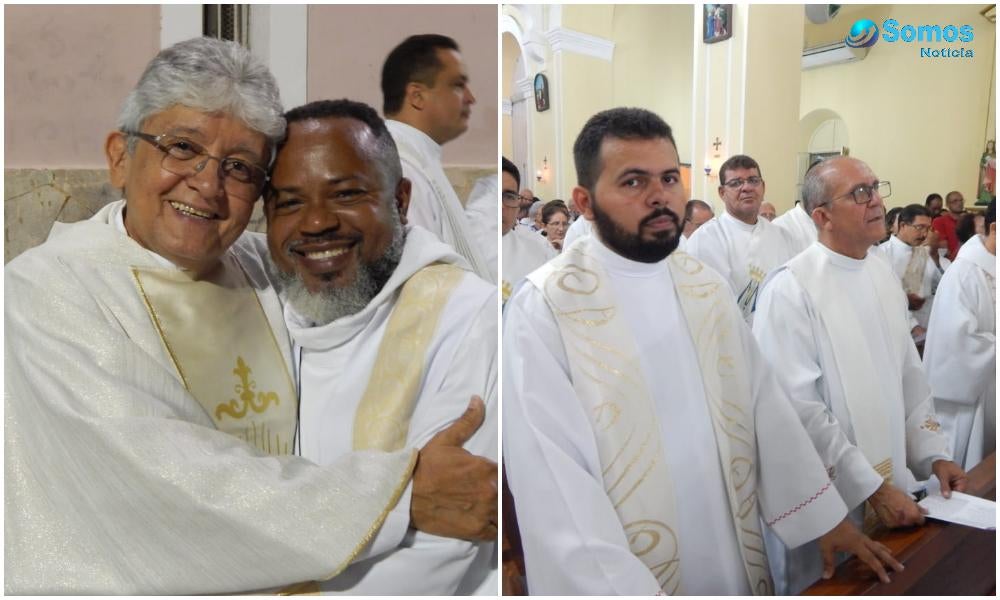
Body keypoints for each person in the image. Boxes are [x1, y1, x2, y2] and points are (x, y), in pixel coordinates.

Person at [5, 37, 496, 595]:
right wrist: (401, 493)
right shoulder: (46, 291)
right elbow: (161, 485)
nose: (208, 185)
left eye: (239, 167)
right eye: (182, 147)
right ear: (120, 155)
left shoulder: (263, 267)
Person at [503, 108, 901, 596]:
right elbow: (555, 487)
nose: (660, 195)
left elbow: (765, 411)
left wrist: (823, 516)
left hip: (728, 544)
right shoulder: (546, 306)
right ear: (585, 202)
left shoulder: (703, 288)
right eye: (633, 181)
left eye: (670, 177)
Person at [265, 99, 497, 594]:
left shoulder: (466, 318)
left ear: (401, 200)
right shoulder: (267, 311)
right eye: (289, 202)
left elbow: (451, 528)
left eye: (346, 194)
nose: (315, 223)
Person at [753, 156, 966, 595]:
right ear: (822, 216)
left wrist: (934, 454)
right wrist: (871, 487)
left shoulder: (879, 273)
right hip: (830, 507)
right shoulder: (791, 290)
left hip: (889, 491)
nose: (877, 201)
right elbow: (797, 412)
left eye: (876, 187)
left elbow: (909, 377)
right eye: (860, 193)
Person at [381, 34, 491, 280]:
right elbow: (420, 282)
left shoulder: (418, 157)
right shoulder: (402, 167)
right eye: (457, 85)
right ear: (417, 97)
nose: (471, 98)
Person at [923, 199, 996, 470]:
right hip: (970, 397)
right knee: (970, 473)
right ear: (994, 228)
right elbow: (957, 342)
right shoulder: (964, 273)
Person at [685, 154, 794, 322]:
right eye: (736, 183)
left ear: (763, 187)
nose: (747, 188)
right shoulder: (706, 239)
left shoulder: (781, 236)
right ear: (722, 192)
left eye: (753, 180)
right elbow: (707, 309)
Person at [876, 204, 946, 337]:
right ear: (902, 225)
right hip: (901, 328)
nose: (925, 234)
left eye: (928, 228)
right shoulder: (882, 254)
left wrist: (935, 256)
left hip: (930, 324)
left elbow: (940, 285)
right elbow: (886, 298)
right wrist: (913, 326)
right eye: (919, 228)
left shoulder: (924, 252)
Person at [501, 158, 555, 303]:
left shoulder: (540, 250)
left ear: (518, 204)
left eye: (509, 197)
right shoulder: (451, 251)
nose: (501, 206)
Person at [931, 190, 966, 261]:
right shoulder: (939, 221)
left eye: (961, 200)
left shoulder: (968, 220)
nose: (959, 203)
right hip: (949, 262)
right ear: (947, 204)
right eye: (955, 201)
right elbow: (944, 251)